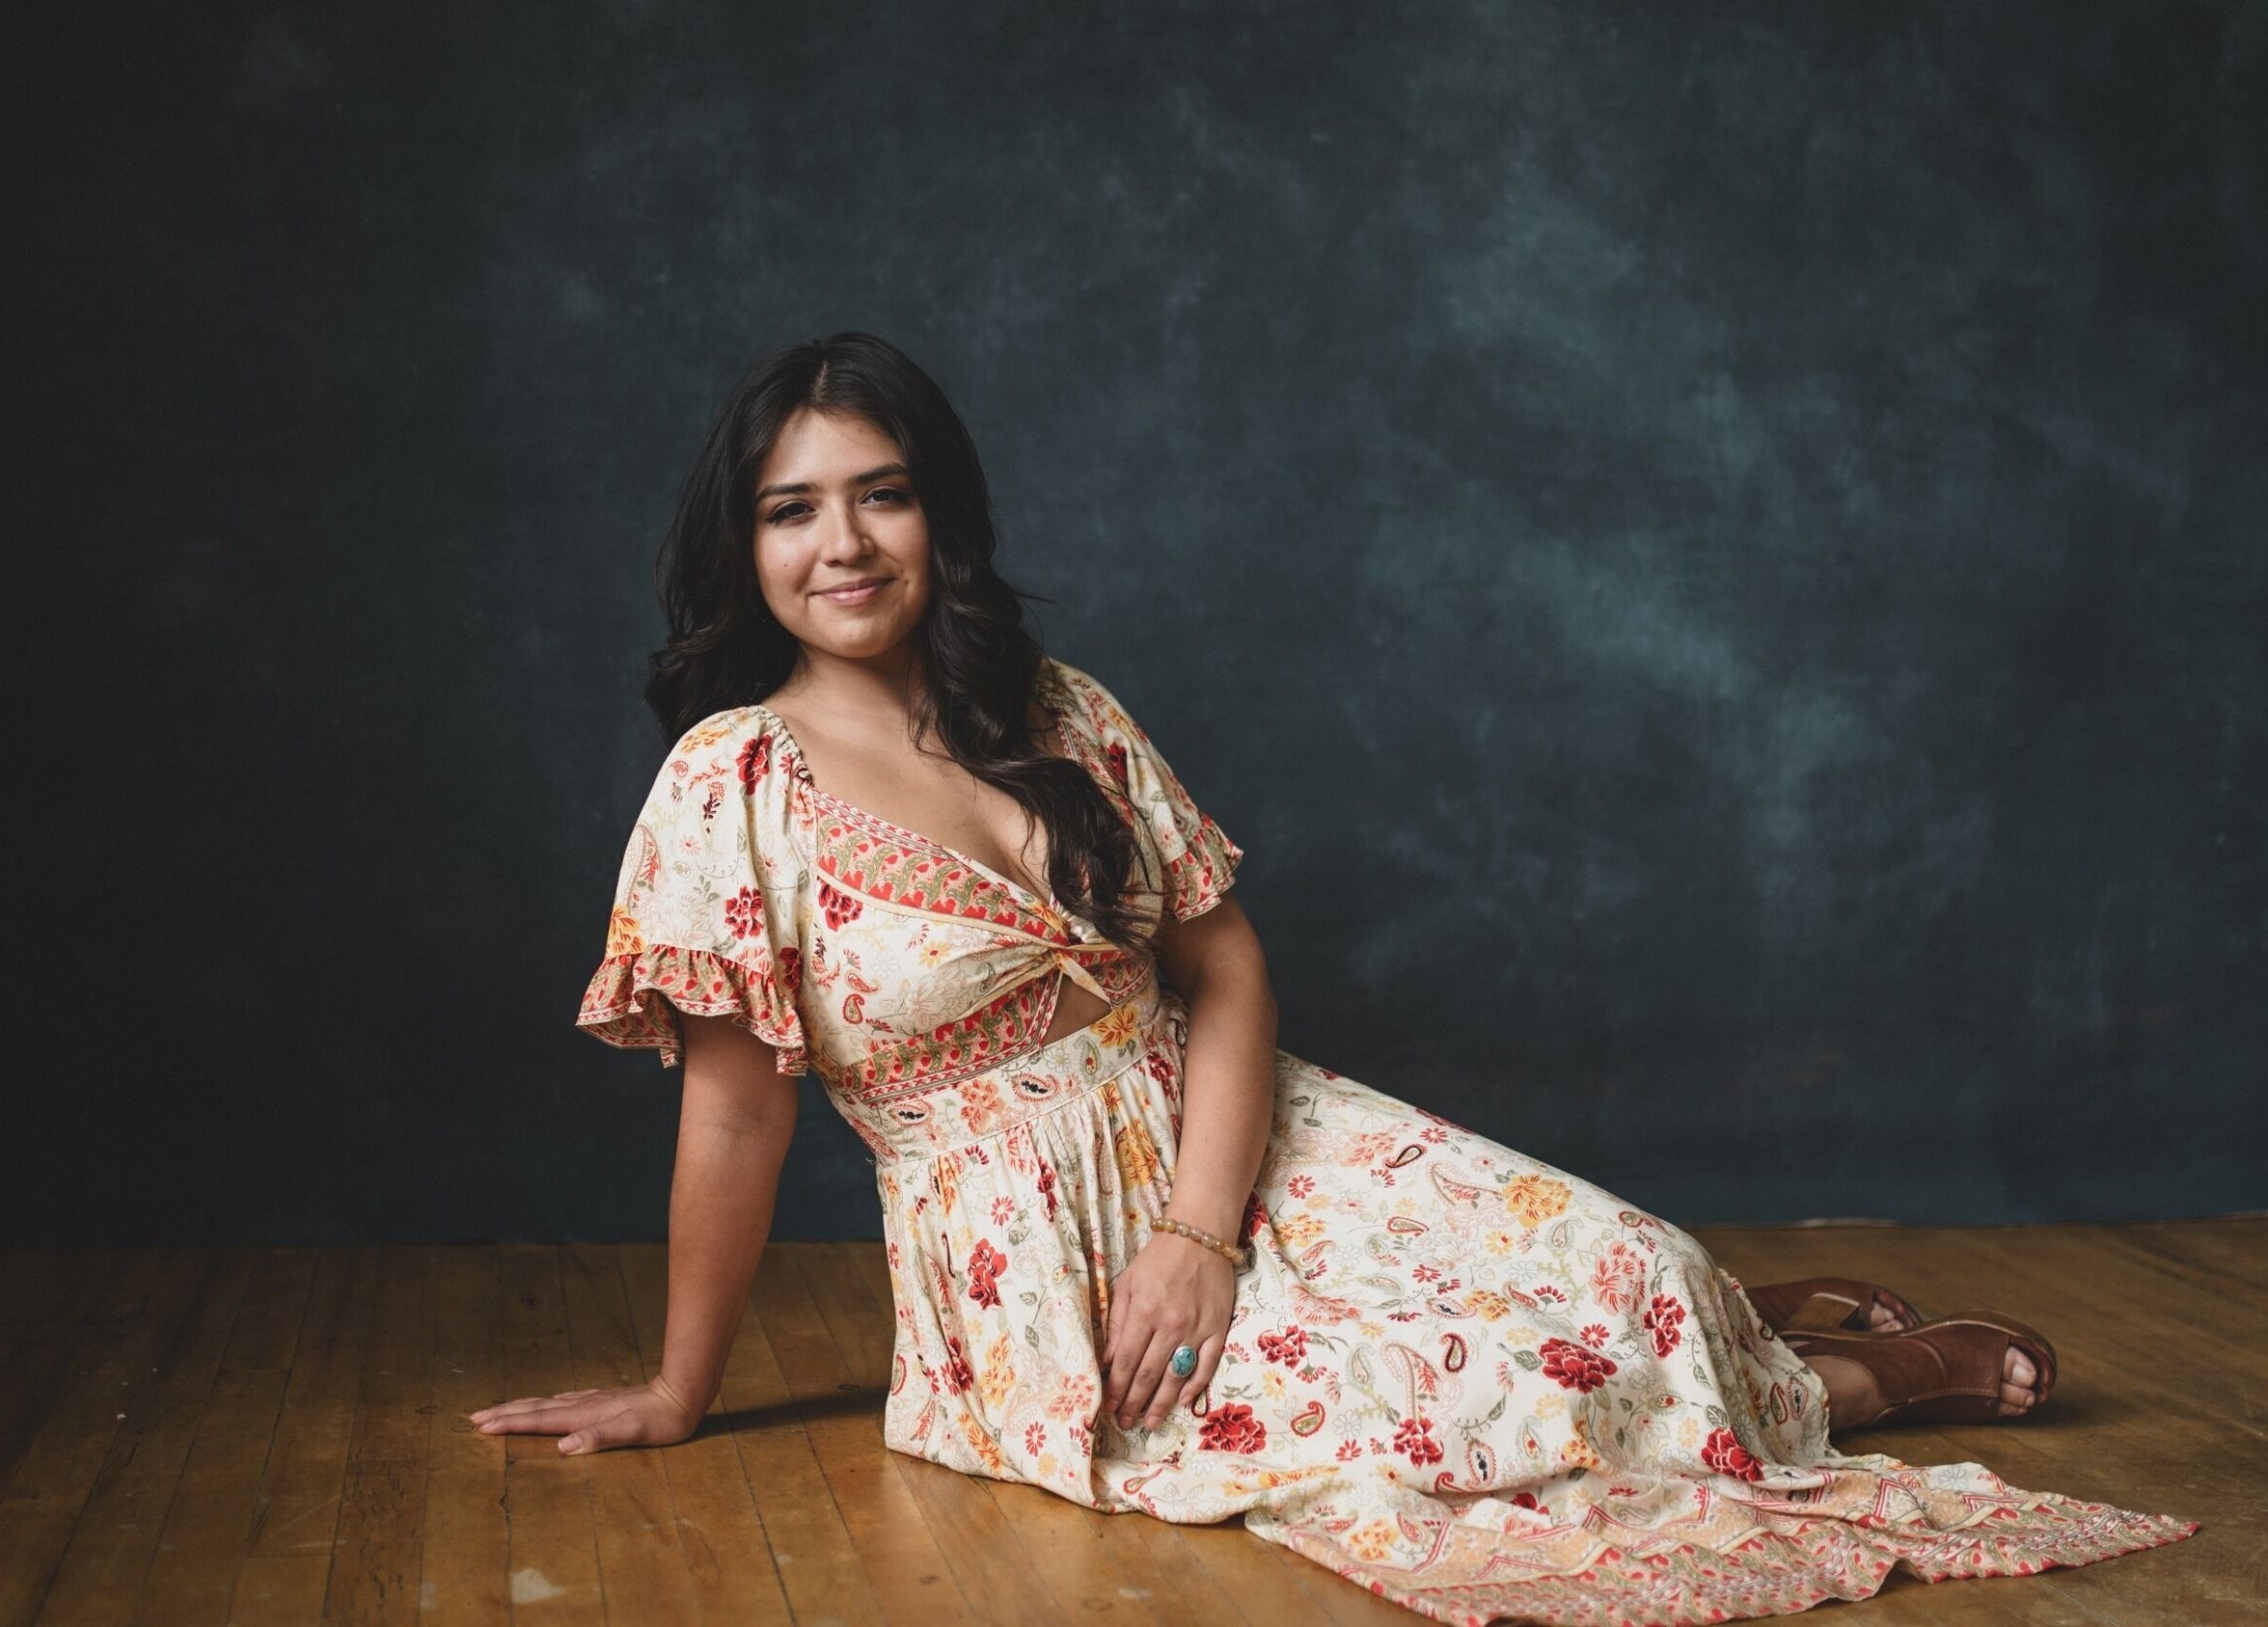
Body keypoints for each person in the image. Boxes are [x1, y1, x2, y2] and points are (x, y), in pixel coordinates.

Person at [473, 333, 2197, 1622]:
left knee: (1641, 1265)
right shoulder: (733, 785)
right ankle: (1858, 1384)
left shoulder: (1055, 705)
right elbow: (734, 1122)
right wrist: (679, 1387)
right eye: (793, 510)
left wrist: (1202, 1228)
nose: (842, 543)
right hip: (1035, 1261)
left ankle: (1735, 1327)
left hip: (1240, 1135)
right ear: (746, 544)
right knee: (1504, 1410)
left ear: (942, 515)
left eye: (882, 493)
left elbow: (1224, 974)